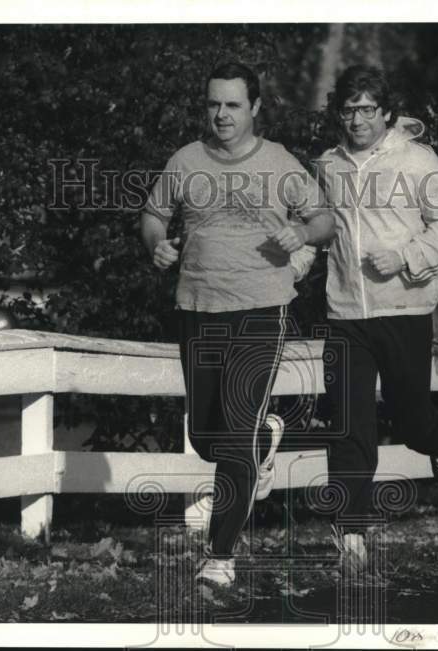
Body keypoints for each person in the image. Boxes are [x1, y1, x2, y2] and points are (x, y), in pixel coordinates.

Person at [140, 62, 334, 588]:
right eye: (213, 104)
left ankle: (219, 558)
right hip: (197, 308)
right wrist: (156, 242)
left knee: (236, 434)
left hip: (260, 309)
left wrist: (302, 232)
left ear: (255, 108)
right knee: (206, 437)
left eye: (233, 105)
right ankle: (269, 438)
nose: (222, 114)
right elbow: (154, 213)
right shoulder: (185, 161)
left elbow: (324, 219)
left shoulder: (280, 163)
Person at [314, 65, 438, 571]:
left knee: (409, 417)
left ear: (385, 113)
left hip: (403, 309)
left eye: (366, 109)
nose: (356, 119)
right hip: (345, 314)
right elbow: (319, 235)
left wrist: (404, 257)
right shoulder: (329, 166)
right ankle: (351, 534)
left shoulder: (417, 160)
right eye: (348, 109)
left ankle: (437, 440)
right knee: (349, 425)